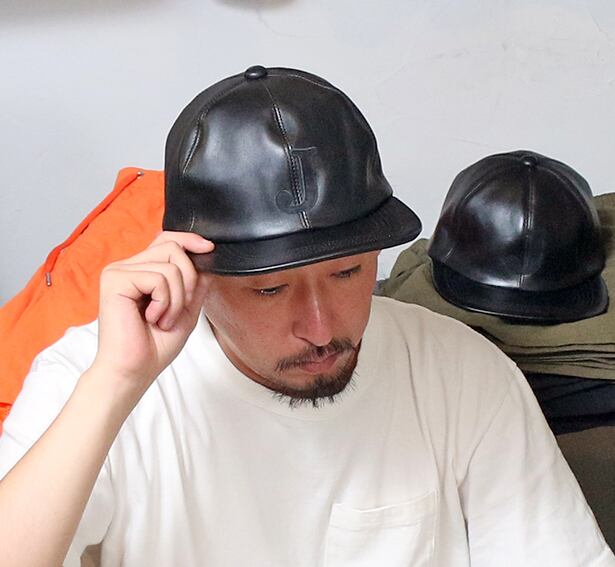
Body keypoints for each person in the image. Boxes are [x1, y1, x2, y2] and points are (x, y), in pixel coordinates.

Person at [0, 66, 613, 567]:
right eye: (269, 290)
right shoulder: (89, 378)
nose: (321, 328)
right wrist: (115, 384)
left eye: (347, 275)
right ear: (194, 270)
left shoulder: (461, 372)